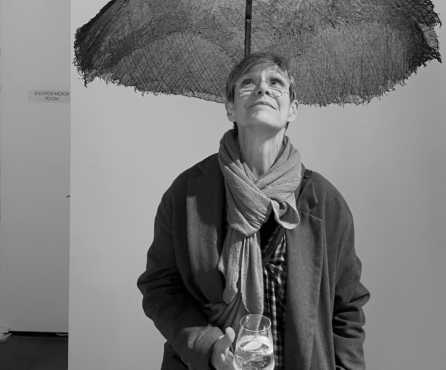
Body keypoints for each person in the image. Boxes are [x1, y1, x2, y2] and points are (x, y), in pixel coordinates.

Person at [137, 52, 369, 370]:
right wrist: (208, 346)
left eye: (275, 83)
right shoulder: (187, 193)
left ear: (293, 109)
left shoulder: (325, 202)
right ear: (230, 107)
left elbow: (347, 306)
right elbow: (160, 286)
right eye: (248, 83)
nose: (262, 89)